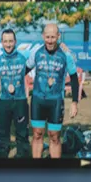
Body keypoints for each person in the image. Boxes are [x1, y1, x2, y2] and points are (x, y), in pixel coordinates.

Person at [29, 19, 80, 160]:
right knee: (37, 134)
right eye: (47, 37)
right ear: (43, 36)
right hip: (38, 100)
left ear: (58, 37)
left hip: (56, 101)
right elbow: (23, 69)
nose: (50, 41)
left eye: (53, 37)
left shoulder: (66, 55)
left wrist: (75, 102)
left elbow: (74, 78)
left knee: (54, 136)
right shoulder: (36, 53)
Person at [0, 25, 35, 160]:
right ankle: (2, 153)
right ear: (1, 42)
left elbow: (39, 55)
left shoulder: (24, 55)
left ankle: (22, 154)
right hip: (4, 100)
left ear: (15, 42)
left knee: (22, 131)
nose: (8, 44)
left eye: (11, 41)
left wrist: (63, 49)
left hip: (20, 100)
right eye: (5, 41)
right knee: (2, 130)